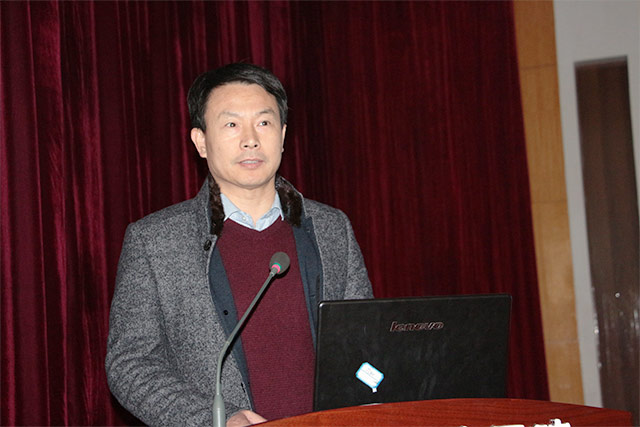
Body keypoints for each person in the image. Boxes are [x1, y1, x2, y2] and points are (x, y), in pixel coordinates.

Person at [105, 63, 373, 427]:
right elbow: (131, 365)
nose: (251, 139)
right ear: (201, 141)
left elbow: (364, 344)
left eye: (263, 122)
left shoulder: (331, 228)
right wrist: (215, 419)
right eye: (231, 125)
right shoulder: (155, 241)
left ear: (282, 135)